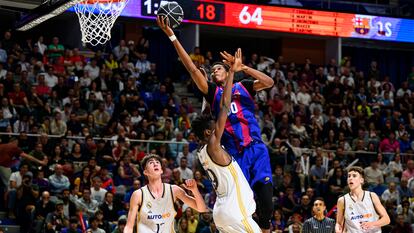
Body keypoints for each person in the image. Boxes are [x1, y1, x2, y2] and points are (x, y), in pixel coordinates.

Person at [158, 16, 274, 232]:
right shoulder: (213, 92)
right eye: (212, 71)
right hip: (234, 153)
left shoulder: (244, 85)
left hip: (256, 148)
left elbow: (269, 82)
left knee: (267, 203)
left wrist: (243, 67)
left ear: (227, 70)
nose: (213, 71)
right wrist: (172, 36)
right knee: (243, 203)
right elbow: (193, 69)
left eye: (217, 69)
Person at [191, 48, 261, 233]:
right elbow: (224, 105)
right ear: (208, 132)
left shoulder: (202, 151)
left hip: (221, 212)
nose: (219, 126)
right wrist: (231, 72)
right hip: (235, 211)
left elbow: (204, 118)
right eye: (214, 126)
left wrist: (206, 98)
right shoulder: (214, 144)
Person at [124, 154, 207, 233]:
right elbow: (129, 226)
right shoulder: (138, 195)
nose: (155, 164)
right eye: (151, 163)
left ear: (161, 170)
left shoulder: (174, 190)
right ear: (146, 172)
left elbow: (202, 209)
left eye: (157, 162)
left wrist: (195, 190)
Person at [335, 166, 390, 233]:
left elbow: (386, 219)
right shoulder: (342, 200)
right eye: (349, 176)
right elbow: (339, 223)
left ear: (361, 180)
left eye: (354, 176)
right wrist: (338, 228)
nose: (350, 178)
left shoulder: (371, 196)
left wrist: (372, 224)